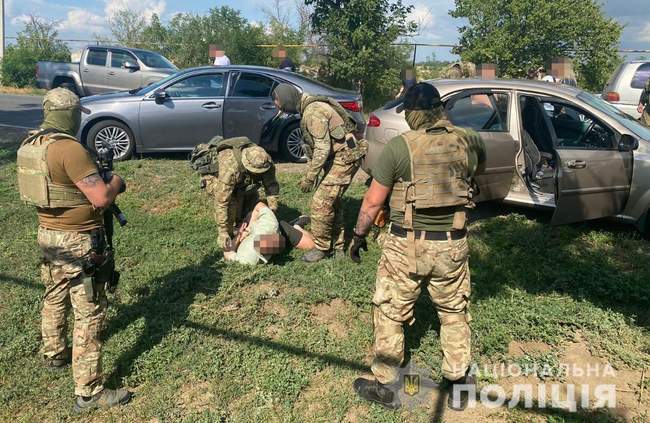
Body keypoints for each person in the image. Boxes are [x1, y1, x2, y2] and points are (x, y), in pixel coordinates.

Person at [348, 83, 486, 411]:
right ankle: (457, 383)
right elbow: (474, 175)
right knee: (454, 311)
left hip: (405, 246)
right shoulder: (472, 140)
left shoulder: (399, 147)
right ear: (440, 108)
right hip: (453, 245)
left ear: (411, 114)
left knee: (390, 312)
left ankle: (387, 385)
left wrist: (357, 236)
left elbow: (371, 203)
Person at [15, 88, 132, 412]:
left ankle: (54, 353)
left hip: (48, 233)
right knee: (90, 310)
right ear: (73, 114)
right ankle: (89, 391)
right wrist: (117, 181)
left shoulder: (31, 144)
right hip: (78, 239)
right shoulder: (68, 149)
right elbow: (100, 198)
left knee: (54, 293)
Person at [271, 83, 368, 262]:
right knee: (333, 201)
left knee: (320, 202)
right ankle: (338, 246)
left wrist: (310, 177)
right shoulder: (310, 107)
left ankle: (321, 248)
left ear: (287, 98)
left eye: (277, 100)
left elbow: (322, 148)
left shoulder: (312, 112)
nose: (276, 104)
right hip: (345, 155)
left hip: (345, 157)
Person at [200, 137, 280, 248]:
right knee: (231, 204)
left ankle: (241, 221)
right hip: (216, 179)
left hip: (241, 180)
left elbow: (271, 185)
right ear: (248, 165)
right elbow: (222, 202)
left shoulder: (265, 161)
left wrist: (273, 210)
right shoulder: (230, 168)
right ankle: (230, 235)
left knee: (252, 200)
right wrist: (222, 232)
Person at [223, 202, 315, 265]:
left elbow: (228, 253)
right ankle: (295, 227)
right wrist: (241, 234)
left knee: (311, 244)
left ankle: (295, 227)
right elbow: (228, 253)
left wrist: (242, 233)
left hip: (275, 232)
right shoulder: (245, 256)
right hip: (270, 238)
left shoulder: (267, 223)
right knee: (311, 244)